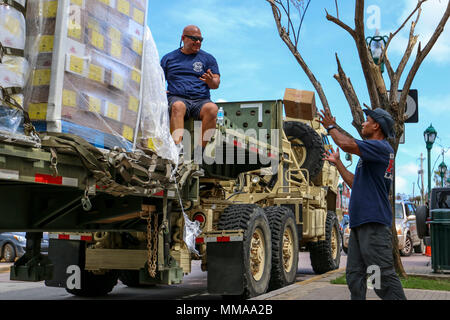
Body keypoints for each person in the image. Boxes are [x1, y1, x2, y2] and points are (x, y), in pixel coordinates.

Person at [318, 107, 406, 300]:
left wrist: (331, 126)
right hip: (360, 224)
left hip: (373, 223)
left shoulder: (381, 148)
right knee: (354, 277)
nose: (363, 123)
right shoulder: (371, 154)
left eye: (367, 120)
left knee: (381, 279)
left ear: (377, 126)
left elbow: (346, 144)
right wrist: (338, 163)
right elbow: (354, 182)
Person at [160, 25, 220, 152]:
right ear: (183, 38)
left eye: (200, 39)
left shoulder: (208, 58)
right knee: (178, 106)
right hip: (177, 97)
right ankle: (176, 151)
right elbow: (158, 80)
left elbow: (216, 84)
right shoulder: (168, 58)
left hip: (201, 100)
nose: (198, 42)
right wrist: (159, 90)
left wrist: (211, 81)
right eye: (194, 38)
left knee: (213, 109)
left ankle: (200, 152)